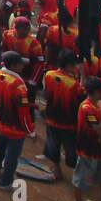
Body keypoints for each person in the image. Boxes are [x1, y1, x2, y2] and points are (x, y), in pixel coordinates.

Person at [0, 51, 36, 191]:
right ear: (14, 66)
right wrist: (30, 131)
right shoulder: (19, 87)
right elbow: (23, 113)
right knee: (12, 156)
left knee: (0, 142)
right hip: (16, 128)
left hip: (1, 121)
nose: (22, 66)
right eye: (20, 64)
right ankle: (5, 182)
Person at [41, 50, 84, 182]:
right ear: (69, 66)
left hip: (52, 118)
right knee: (71, 150)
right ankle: (79, 176)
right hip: (69, 123)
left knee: (53, 146)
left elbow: (46, 94)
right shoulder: (75, 85)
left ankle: (57, 169)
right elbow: (81, 101)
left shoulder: (49, 75)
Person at [73, 77, 101, 201]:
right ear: (97, 92)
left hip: (98, 149)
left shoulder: (96, 106)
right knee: (82, 178)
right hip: (87, 150)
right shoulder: (87, 108)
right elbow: (100, 130)